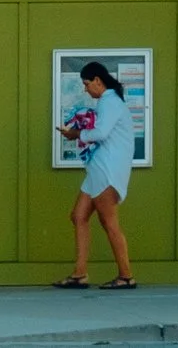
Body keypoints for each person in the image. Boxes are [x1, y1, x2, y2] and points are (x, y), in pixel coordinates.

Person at [55, 61, 137, 290]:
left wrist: (75, 133)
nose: (85, 89)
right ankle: (79, 274)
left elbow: (100, 133)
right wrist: (77, 135)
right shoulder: (109, 102)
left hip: (107, 171)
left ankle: (126, 275)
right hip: (98, 169)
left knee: (109, 222)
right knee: (78, 216)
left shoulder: (110, 102)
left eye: (86, 83)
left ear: (98, 81)